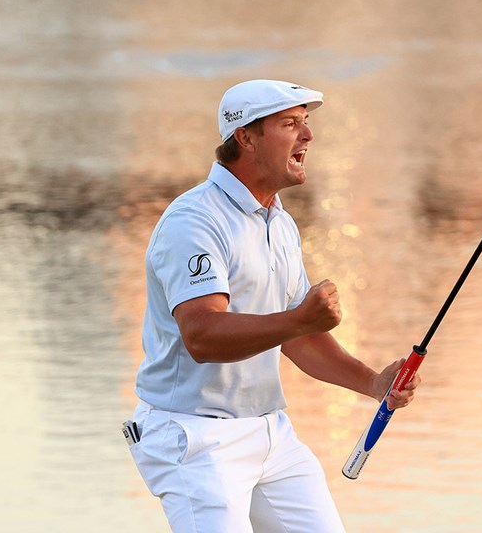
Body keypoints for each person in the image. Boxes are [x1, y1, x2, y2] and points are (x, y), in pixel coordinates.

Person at [127, 79, 420, 533]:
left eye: (306, 123)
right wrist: (298, 318)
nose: (308, 136)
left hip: (269, 433)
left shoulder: (278, 222)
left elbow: (298, 337)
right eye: (290, 124)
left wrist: (373, 382)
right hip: (193, 437)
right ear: (245, 137)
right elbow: (203, 335)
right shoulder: (195, 220)